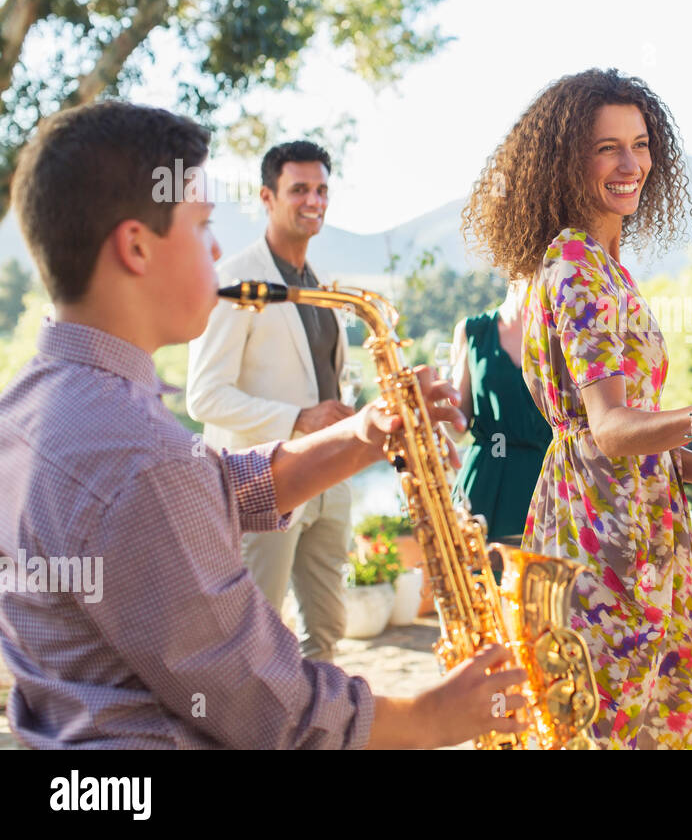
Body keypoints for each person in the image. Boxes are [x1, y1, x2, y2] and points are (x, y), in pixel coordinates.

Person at [0, 101, 526, 749]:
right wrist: (432, 717)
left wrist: (365, 432)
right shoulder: (139, 457)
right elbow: (268, 706)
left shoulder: (30, 404)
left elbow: (209, 485)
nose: (218, 248)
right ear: (136, 245)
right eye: (201, 227)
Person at [461, 68, 692, 749]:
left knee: (650, 722)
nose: (631, 164)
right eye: (607, 148)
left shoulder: (601, 263)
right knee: (612, 726)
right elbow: (610, 430)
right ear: (569, 160)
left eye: (641, 143)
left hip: (629, 529)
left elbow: (614, 433)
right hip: (602, 544)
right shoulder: (574, 264)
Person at [187, 141, 352, 662]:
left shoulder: (320, 287)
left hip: (332, 477)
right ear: (266, 196)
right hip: (267, 482)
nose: (314, 200)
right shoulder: (236, 281)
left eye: (322, 189)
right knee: (254, 635)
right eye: (299, 188)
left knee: (326, 633)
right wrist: (299, 419)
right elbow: (203, 396)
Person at [449, 279, 552, 543]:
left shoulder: (561, 333)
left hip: (547, 484)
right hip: (484, 484)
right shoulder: (473, 331)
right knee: (476, 579)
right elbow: (456, 430)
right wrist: (440, 400)